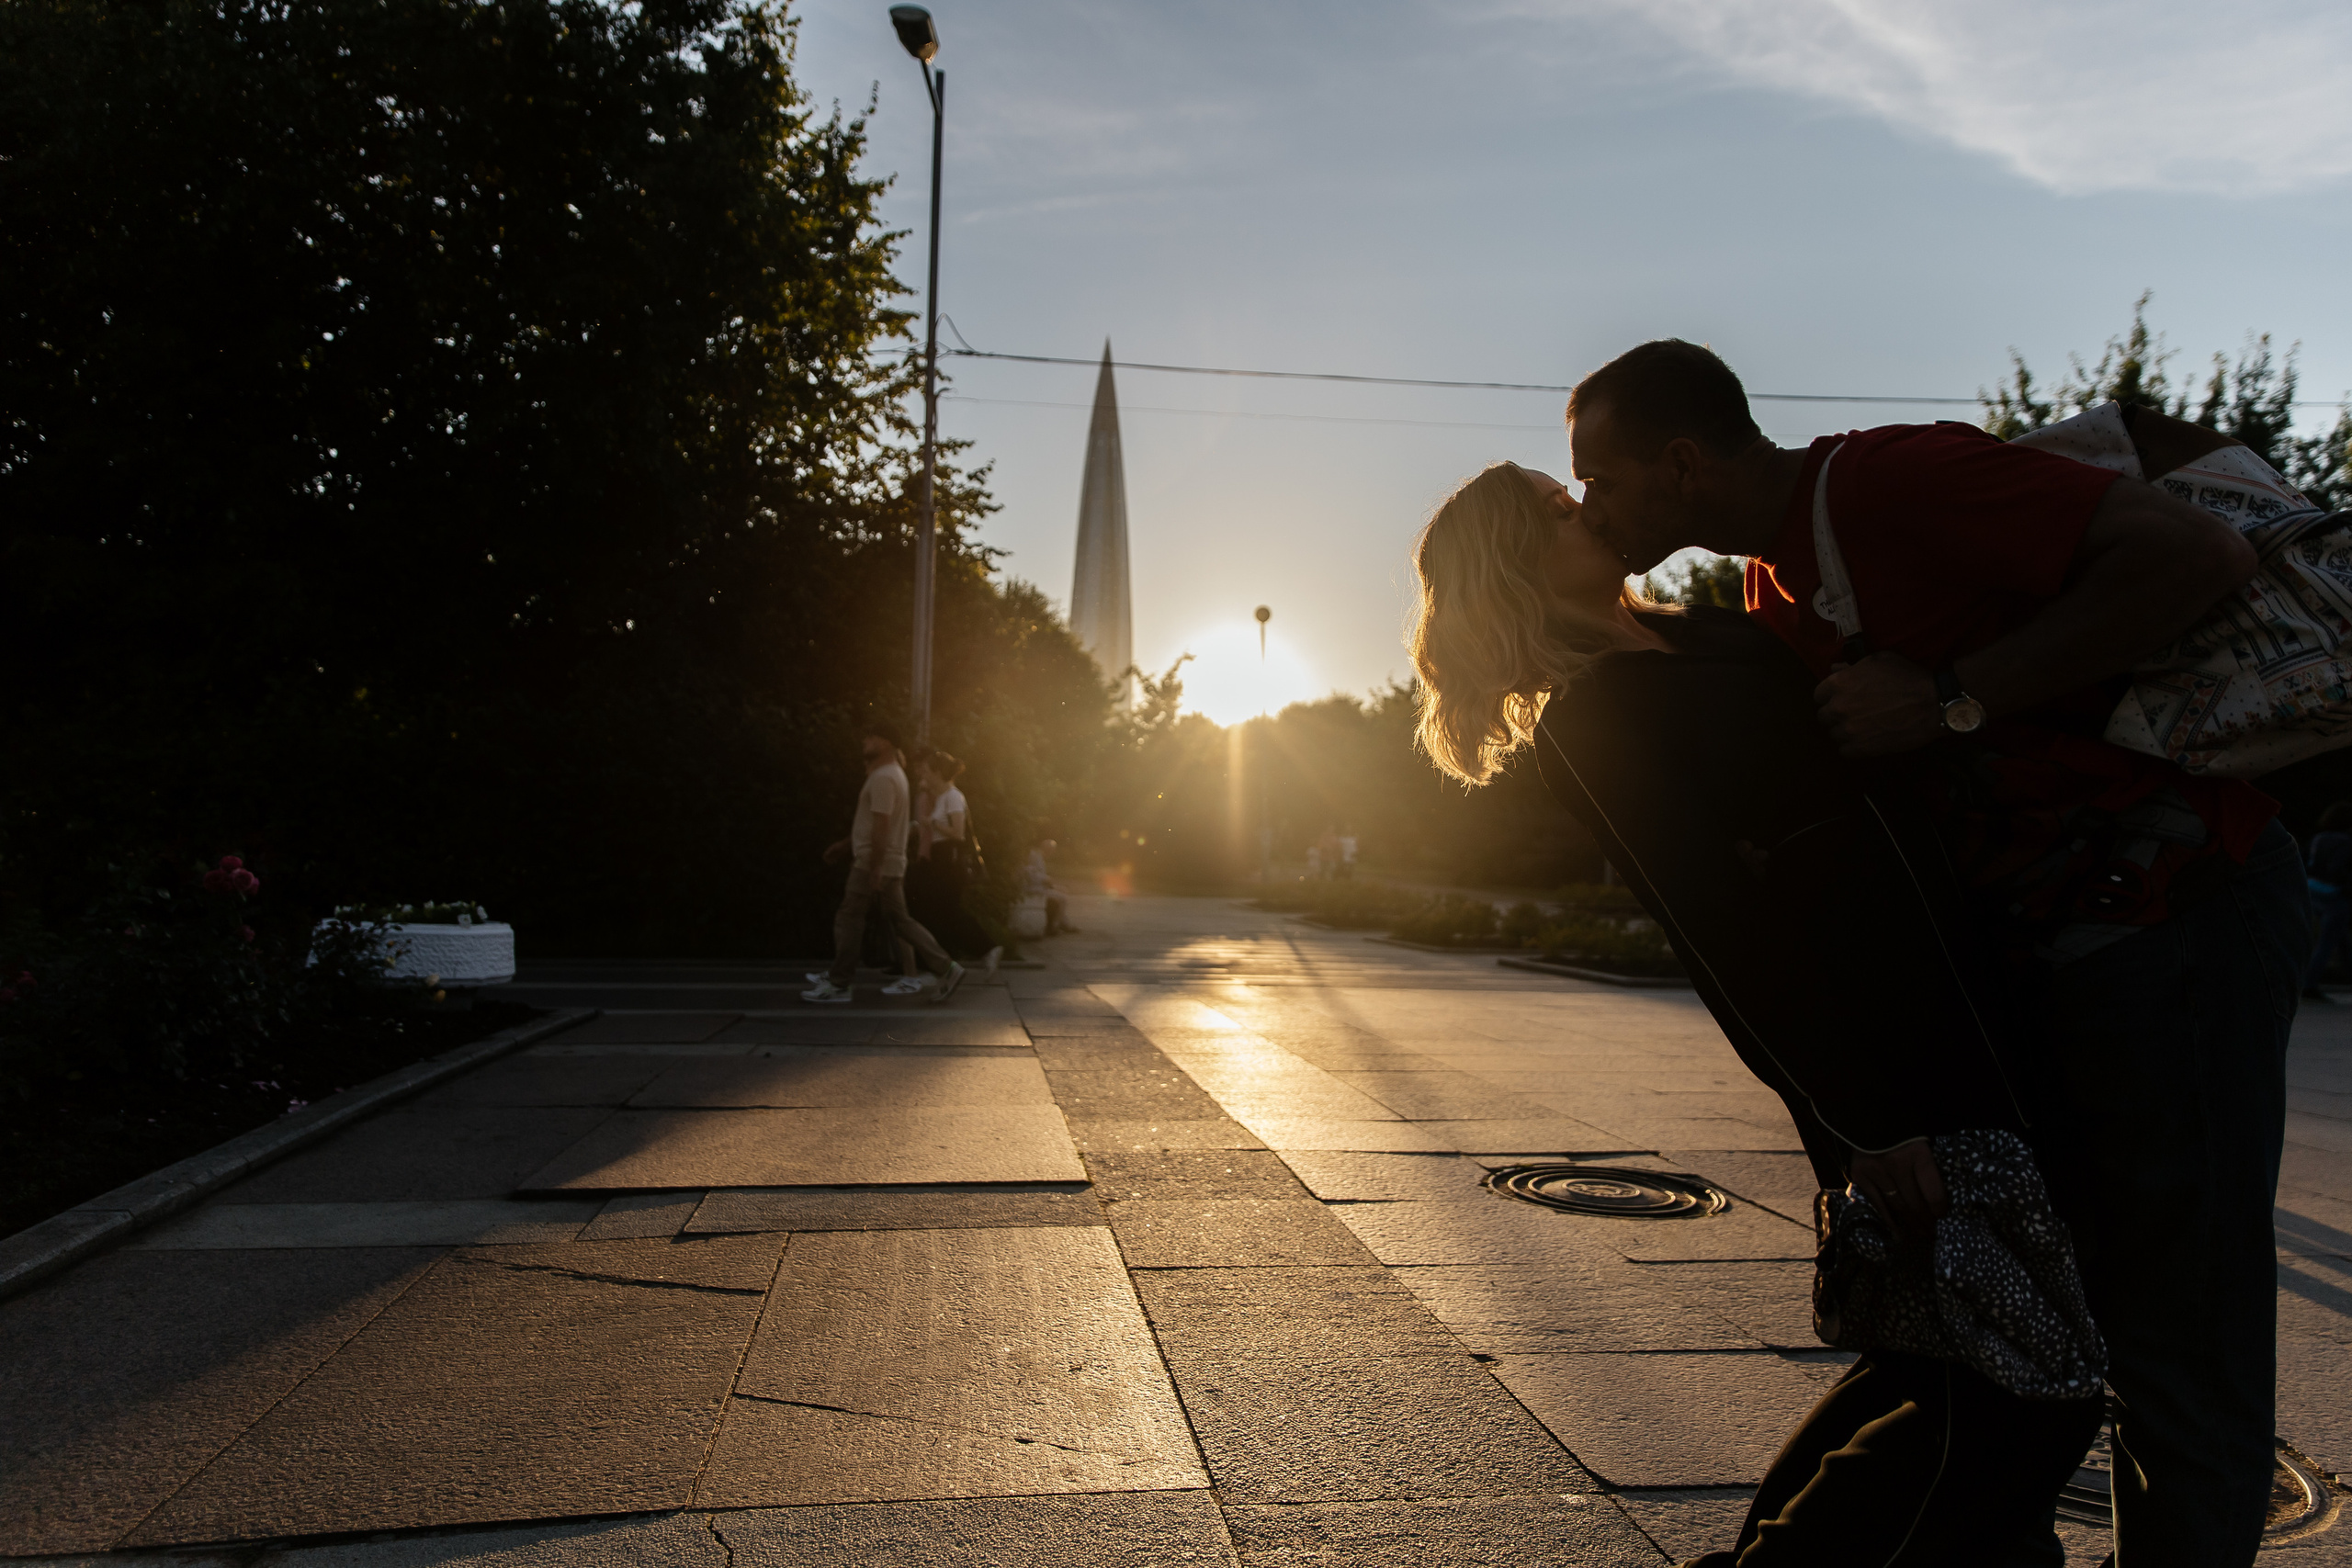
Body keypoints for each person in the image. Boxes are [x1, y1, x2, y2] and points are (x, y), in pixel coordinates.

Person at [1412, 463, 2102, 1567]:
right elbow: (1723, 938)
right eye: (1553, 507)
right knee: (2030, 1385)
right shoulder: (1591, 722)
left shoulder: (1727, 631)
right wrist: (1861, 1118)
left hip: (1972, 994)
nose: (1585, 505)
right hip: (1889, 1065)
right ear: (1514, 560)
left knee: (1939, 1359)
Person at [801, 722, 966, 1006]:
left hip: (874, 861)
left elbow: (882, 824)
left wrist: (874, 865)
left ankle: (839, 983)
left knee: (849, 917)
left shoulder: (884, 777)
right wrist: (844, 846)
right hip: (885, 860)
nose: (866, 741)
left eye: (872, 737)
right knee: (900, 922)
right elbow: (871, 824)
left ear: (886, 743)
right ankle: (947, 968)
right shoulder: (891, 775)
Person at [908, 750, 1003, 976]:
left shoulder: (953, 796)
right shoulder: (941, 796)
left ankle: (987, 948)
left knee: (948, 911)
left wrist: (932, 823)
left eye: (928, 771)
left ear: (938, 772)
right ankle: (953, 960)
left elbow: (958, 833)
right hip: (941, 857)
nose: (924, 775)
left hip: (950, 859)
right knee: (938, 911)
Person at [2304, 801, 2352, 998]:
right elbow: (2338, 869)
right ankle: (2309, 984)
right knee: (2328, 941)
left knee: (2339, 939)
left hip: (2312, 889)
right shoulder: (2345, 841)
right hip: (2334, 894)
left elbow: (2306, 862)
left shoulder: (2319, 838)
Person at [1023, 838, 1073, 935]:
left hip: (1039, 886)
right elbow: (1030, 874)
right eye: (1052, 850)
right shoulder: (1035, 857)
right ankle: (1055, 926)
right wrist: (1046, 878)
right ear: (1048, 849)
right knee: (1062, 898)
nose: (1053, 853)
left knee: (1063, 892)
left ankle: (1063, 923)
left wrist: (1053, 884)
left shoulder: (1040, 857)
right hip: (1033, 888)